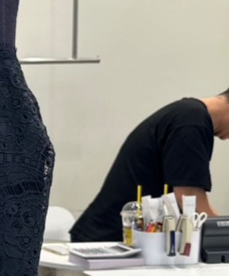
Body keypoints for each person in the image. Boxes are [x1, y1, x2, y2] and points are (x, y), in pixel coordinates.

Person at [70, 90, 229, 242]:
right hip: (112, 240)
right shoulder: (192, 122)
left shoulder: (187, 115)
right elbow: (188, 197)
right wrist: (223, 233)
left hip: (122, 236)